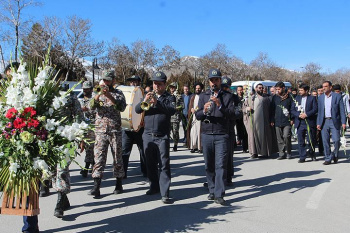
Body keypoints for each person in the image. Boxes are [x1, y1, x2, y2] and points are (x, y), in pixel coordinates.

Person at [195, 68, 235, 205]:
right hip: (206, 134)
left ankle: (219, 194)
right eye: (211, 80)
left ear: (220, 80)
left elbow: (231, 114)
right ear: (209, 82)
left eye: (216, 80)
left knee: (220, 165)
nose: (214, 83)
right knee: (209, 166)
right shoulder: (203, 96)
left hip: (221, 135)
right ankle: (211, 191)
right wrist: (204, 110)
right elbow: (197, 116)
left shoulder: (227, 96)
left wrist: (219, 106)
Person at [135, 71, 176, 204]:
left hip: (162, 135)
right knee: (150, 164)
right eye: (154, 83)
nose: (156, 86)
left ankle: (165, 193)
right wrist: (145, 101)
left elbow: (171, 110)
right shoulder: (148, 95)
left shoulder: (170, 97)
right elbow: (137, 110)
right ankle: (154, 186)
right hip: (147, 135)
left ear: (164, 85)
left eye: (159, 84)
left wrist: (157, 102)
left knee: (164, 164)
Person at [88, 70, 127, 197]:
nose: (105, 82)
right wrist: (98, 95)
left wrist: (109, 95)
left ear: (113, 80)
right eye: (104, 80)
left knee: (117, 157)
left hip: (114, 129)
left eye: (108, 80)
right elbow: (90, 107)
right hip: (100, 130)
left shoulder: (119, 93)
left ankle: (118, 183)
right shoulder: (96, 92)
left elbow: (121, 107)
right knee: (99, 158)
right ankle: (96, 186)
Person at [243, 83, 278, 159]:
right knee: (253, 137)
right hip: (254, 122)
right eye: (259, 88)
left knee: (265, 137)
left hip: (264, 121)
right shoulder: (250, 98)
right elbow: (243, 109)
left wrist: (271, 119)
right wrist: (247, 109)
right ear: (255, 89)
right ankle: (254, 153)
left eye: (262, 88)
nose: (261, 89)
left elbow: (271, 110)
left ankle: (265, 152)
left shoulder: (267, 98)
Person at [121, 75, 147, 179]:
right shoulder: (124, 94)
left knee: (143, 150)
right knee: (124, 151)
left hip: (140, 128)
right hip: (127, 128)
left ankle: (145, 172)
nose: (133, 83)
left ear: (139, 82)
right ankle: (123, 173)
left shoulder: (144, 94)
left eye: (135, 81)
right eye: (131, 82)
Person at [317, 81, 346, 165]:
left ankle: (334, 154)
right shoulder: (321, 98)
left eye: (326, 86)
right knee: (325, 141)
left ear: (330, 87)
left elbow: (342, 110)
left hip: (334, 121)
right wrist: (318, 123)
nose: (324, 88)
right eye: (323, 86)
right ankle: (328, 158)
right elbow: (319, 111)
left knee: (336, 140)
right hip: (324, 121)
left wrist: (343, 122)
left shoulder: (337, 96)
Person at [221, 76, 241, 185]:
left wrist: (229, 113)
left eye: (226, 87)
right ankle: (216, 179)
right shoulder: (217, 96)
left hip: (229, 129)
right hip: (218, 129)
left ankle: (228, 178)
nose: (225, 89)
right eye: (223, 87)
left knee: (228, 155)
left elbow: (238, 113)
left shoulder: (235, 98)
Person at [290, 84, 318, 163]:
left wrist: (307, 114)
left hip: (309, 121)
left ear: (306, 91)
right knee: (301, 140)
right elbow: (292, 110)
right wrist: (298, 115)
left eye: (302, 90)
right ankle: (302, 156)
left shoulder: (312, 98)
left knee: (311, 139)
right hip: (300, 122)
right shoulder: (296, 98)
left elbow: (315, 109)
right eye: (299, 90)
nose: (300, 92)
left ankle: (312, 153)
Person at [270, 81, 293, 160]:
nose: (277, 91)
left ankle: (289, 152)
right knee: (279, 138)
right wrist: (272, 120)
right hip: (277, 121)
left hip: (287, 120)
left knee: (286, 136)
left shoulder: (290, 97)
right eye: (276, 89)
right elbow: (272, 110)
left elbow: (292, 109)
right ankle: (281, 153)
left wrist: (292, 118)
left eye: (279, 89)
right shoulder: (275, 97)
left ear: (283, 88)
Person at [79, 81, 96, 178]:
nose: (85, 91)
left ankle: (86, 167)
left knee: (90, 148)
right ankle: (92, 165)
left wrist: (88, 109)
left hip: (93, 126)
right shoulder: (81, 100)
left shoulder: (93, 99)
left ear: (91, 89)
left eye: (87, 89)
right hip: (84, 126)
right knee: (88, 148)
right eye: (84, 89)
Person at [186, 82, 204, 153]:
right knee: (193, 132)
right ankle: (193, 146)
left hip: (200, 116)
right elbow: (190, 106)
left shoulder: (203, 96)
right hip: (193, 116)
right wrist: (191, 110)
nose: (197, 89)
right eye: (196, 88)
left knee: (199, 132)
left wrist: (197, 111)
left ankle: (200, 147)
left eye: (199, 88)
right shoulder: (193, 96)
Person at [168, 82, 184, 151]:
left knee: (175, 132)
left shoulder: (179, 96)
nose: (172, 89)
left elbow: (182, 106)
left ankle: (175, 144)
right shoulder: (167, 95)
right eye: (171, 87)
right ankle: (167, 145)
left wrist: (176, 108)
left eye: (173, 87)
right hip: (168, 117)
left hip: (175, 116)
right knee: (167, 132)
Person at [235, 85, 248, 153]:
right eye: (239, 90)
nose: (240, 91)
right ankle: (239, 142)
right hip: (238, 118)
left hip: (245, 116)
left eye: (241, 90)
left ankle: (245, 147)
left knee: (245, 132)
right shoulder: (235, 98)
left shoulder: (245, 97)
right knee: (239, 132)